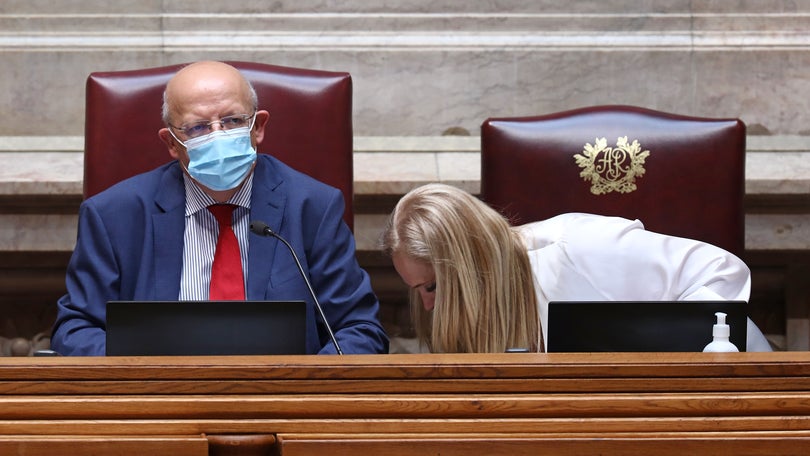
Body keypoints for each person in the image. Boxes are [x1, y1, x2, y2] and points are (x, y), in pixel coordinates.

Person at [51, 61, 388, 356]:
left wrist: (300, 391)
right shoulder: (114, 215)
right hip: (160, 406)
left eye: (232, 121)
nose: (218, 135)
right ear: (171, 142)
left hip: (283, 405)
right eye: (198, 127)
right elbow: (76, 329)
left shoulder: (314, 208)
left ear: (258, 127)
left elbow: (359, 330)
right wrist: (145, 381)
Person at [380, 183, 772, 353]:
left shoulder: (580, 245)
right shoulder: (470, 310)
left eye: (432, 288)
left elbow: (720, 270)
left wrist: (656, 342)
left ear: (470, 266)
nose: (428, 309)